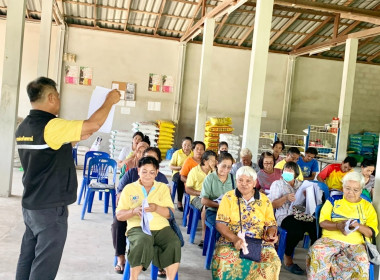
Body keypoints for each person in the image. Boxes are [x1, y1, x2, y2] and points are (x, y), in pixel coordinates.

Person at [15, 77, 120, 280]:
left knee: (27, 256)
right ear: (52, 97)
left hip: (31, 205)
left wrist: (83, 132)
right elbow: (94, 124)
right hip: (50, 208)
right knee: (45, 263)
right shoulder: (51, 125)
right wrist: (109, 101)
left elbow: (60, 145)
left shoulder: (25, 127)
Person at [116, 157, 181, 280]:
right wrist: (133, 211)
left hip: (161, 228)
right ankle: (133, 278)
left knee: (173, 242)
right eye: (144, 171)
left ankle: (170, 278)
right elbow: (119, 215)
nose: (147, 175)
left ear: (157, 172)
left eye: (152, 172)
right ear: (138, 170)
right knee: (143, 241)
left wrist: (156, 208)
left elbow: (170, 213)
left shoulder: (162, 188)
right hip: (137, 228)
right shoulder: (129, 189)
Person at [212, 166, 281, 280]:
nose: (244, 184)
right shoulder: (228, 198)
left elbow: (271, 224)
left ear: (254, 183)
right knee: (223, 260)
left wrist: (271, 234)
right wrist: (235, 239)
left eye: (248, 181)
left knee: (272, 263)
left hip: (259, 241)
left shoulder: (265, 200)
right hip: (231, 240)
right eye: (240, 180)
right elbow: (220, 224)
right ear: (236, 181)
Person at [306, 172, 378, 280]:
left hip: (356, 244)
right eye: (347, 188)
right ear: (342, 187)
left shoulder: (367, 206)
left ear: (361, 190)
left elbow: (371, 232)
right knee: (317, 251)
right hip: (330, 240)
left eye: (356, 190)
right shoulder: (332, 201)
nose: (351, 193)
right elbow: (322, 223)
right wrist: (337, 225)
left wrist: (358, 226)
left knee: (361, 262)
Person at [112, 147, 168, 274]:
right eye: (145, 157)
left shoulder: (162, 179)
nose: (148, 160)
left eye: (153, 159)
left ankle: (159, 261)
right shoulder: (131, 173)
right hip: (132, 214)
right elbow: (119, 194)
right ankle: (121, 258)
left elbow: (166, 204)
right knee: (117, 222)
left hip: (154, 217)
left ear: (158, 162)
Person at [268, 162, 317, 275]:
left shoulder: (302, 184)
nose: (287, 173)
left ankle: (315, 259)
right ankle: (288, 258)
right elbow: (272, 205)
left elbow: (309, 203)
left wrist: (308, 196)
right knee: (296, 231)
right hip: (285, 215)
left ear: (295, 173)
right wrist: (285, 197)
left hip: (302, 215)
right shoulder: (277, 184)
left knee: (316, 227)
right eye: (286, 170)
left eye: (290, 171)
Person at [185, 150, 217, 248]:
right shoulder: (195, 171)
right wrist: (201, 193)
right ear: (204, 161)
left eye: (215, 160)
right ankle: (204, 237)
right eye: (211, 160)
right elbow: (188, 189)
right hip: (197, 197)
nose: (214, 162)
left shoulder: (215, 172)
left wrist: (215, 171)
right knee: (205, 207)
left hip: (213, 196)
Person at [201, 152, 235, 227]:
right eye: (223, 166)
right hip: (213, 211)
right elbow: (204, 200)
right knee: (221, 227)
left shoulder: (233, 178)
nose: (226, 169)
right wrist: (219, 205)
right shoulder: (210, 178)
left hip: (229, 211)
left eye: (229, 167)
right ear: (217, 164)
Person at [179, 141, 206, 210]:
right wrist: (193, 182)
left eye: (201, 149)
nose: (199, 151)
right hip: (191, 188)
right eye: (197, 149)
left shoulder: (206, 162)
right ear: (193, 150)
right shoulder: (188, 161)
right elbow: (182, 177)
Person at [170, 137, 193, 211]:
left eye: (189, 145)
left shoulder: (193, 154)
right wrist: (179, 168)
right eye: (185, 145)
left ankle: (191, 201)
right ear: (182, 145)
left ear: (191, 146)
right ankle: (179, 201)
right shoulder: (177, 153)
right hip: (178, 173)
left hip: (190, 174)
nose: (186, 147)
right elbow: (171, 166)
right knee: (181, 179)